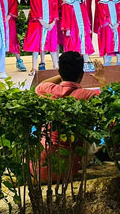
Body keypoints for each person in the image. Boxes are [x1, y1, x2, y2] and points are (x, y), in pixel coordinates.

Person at [35, 52, 106, 182]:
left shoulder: (47, 90)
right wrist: (101, 80)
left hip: (39, 167)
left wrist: (63, 73)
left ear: (59, 71)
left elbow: (40, 85)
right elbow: (108, 103)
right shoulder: (89, 96)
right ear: (82, 73)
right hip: (68, 167)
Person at [23, 0, 59, 75]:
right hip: (38, 24)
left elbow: (55, 8)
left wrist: (52, 23)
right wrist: (41, 21)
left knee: (52, 45)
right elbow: (34, 9)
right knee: (36, 46)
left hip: (51, 24)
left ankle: (56, 66)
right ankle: (34, 67)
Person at [61, 0, 95, 72]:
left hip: (82, 27)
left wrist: (87, 27)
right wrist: (67, 28)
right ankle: (74, 64)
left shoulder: (80, 0)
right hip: (73, 28)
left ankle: (86, 63)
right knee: (74, 44)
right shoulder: (67, 2)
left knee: (85, 44)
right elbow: (65, 16)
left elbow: (85, 15)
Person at [37, 0, 63, 71]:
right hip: (43, 21)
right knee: (42, 40)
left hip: (54, 20)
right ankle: (42, 61)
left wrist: (56, 18)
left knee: (54, 41)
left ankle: (55, 62)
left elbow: (60, 5)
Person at [95, 0, 120, 66]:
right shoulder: (101, 3)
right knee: (107, 42)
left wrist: (117, 24)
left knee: (117, 42)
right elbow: (103, 15)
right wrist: (111, 25)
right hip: (107, 27)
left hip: (116, 26)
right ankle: (107, 60)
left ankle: (119, 60)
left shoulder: (117, 1)